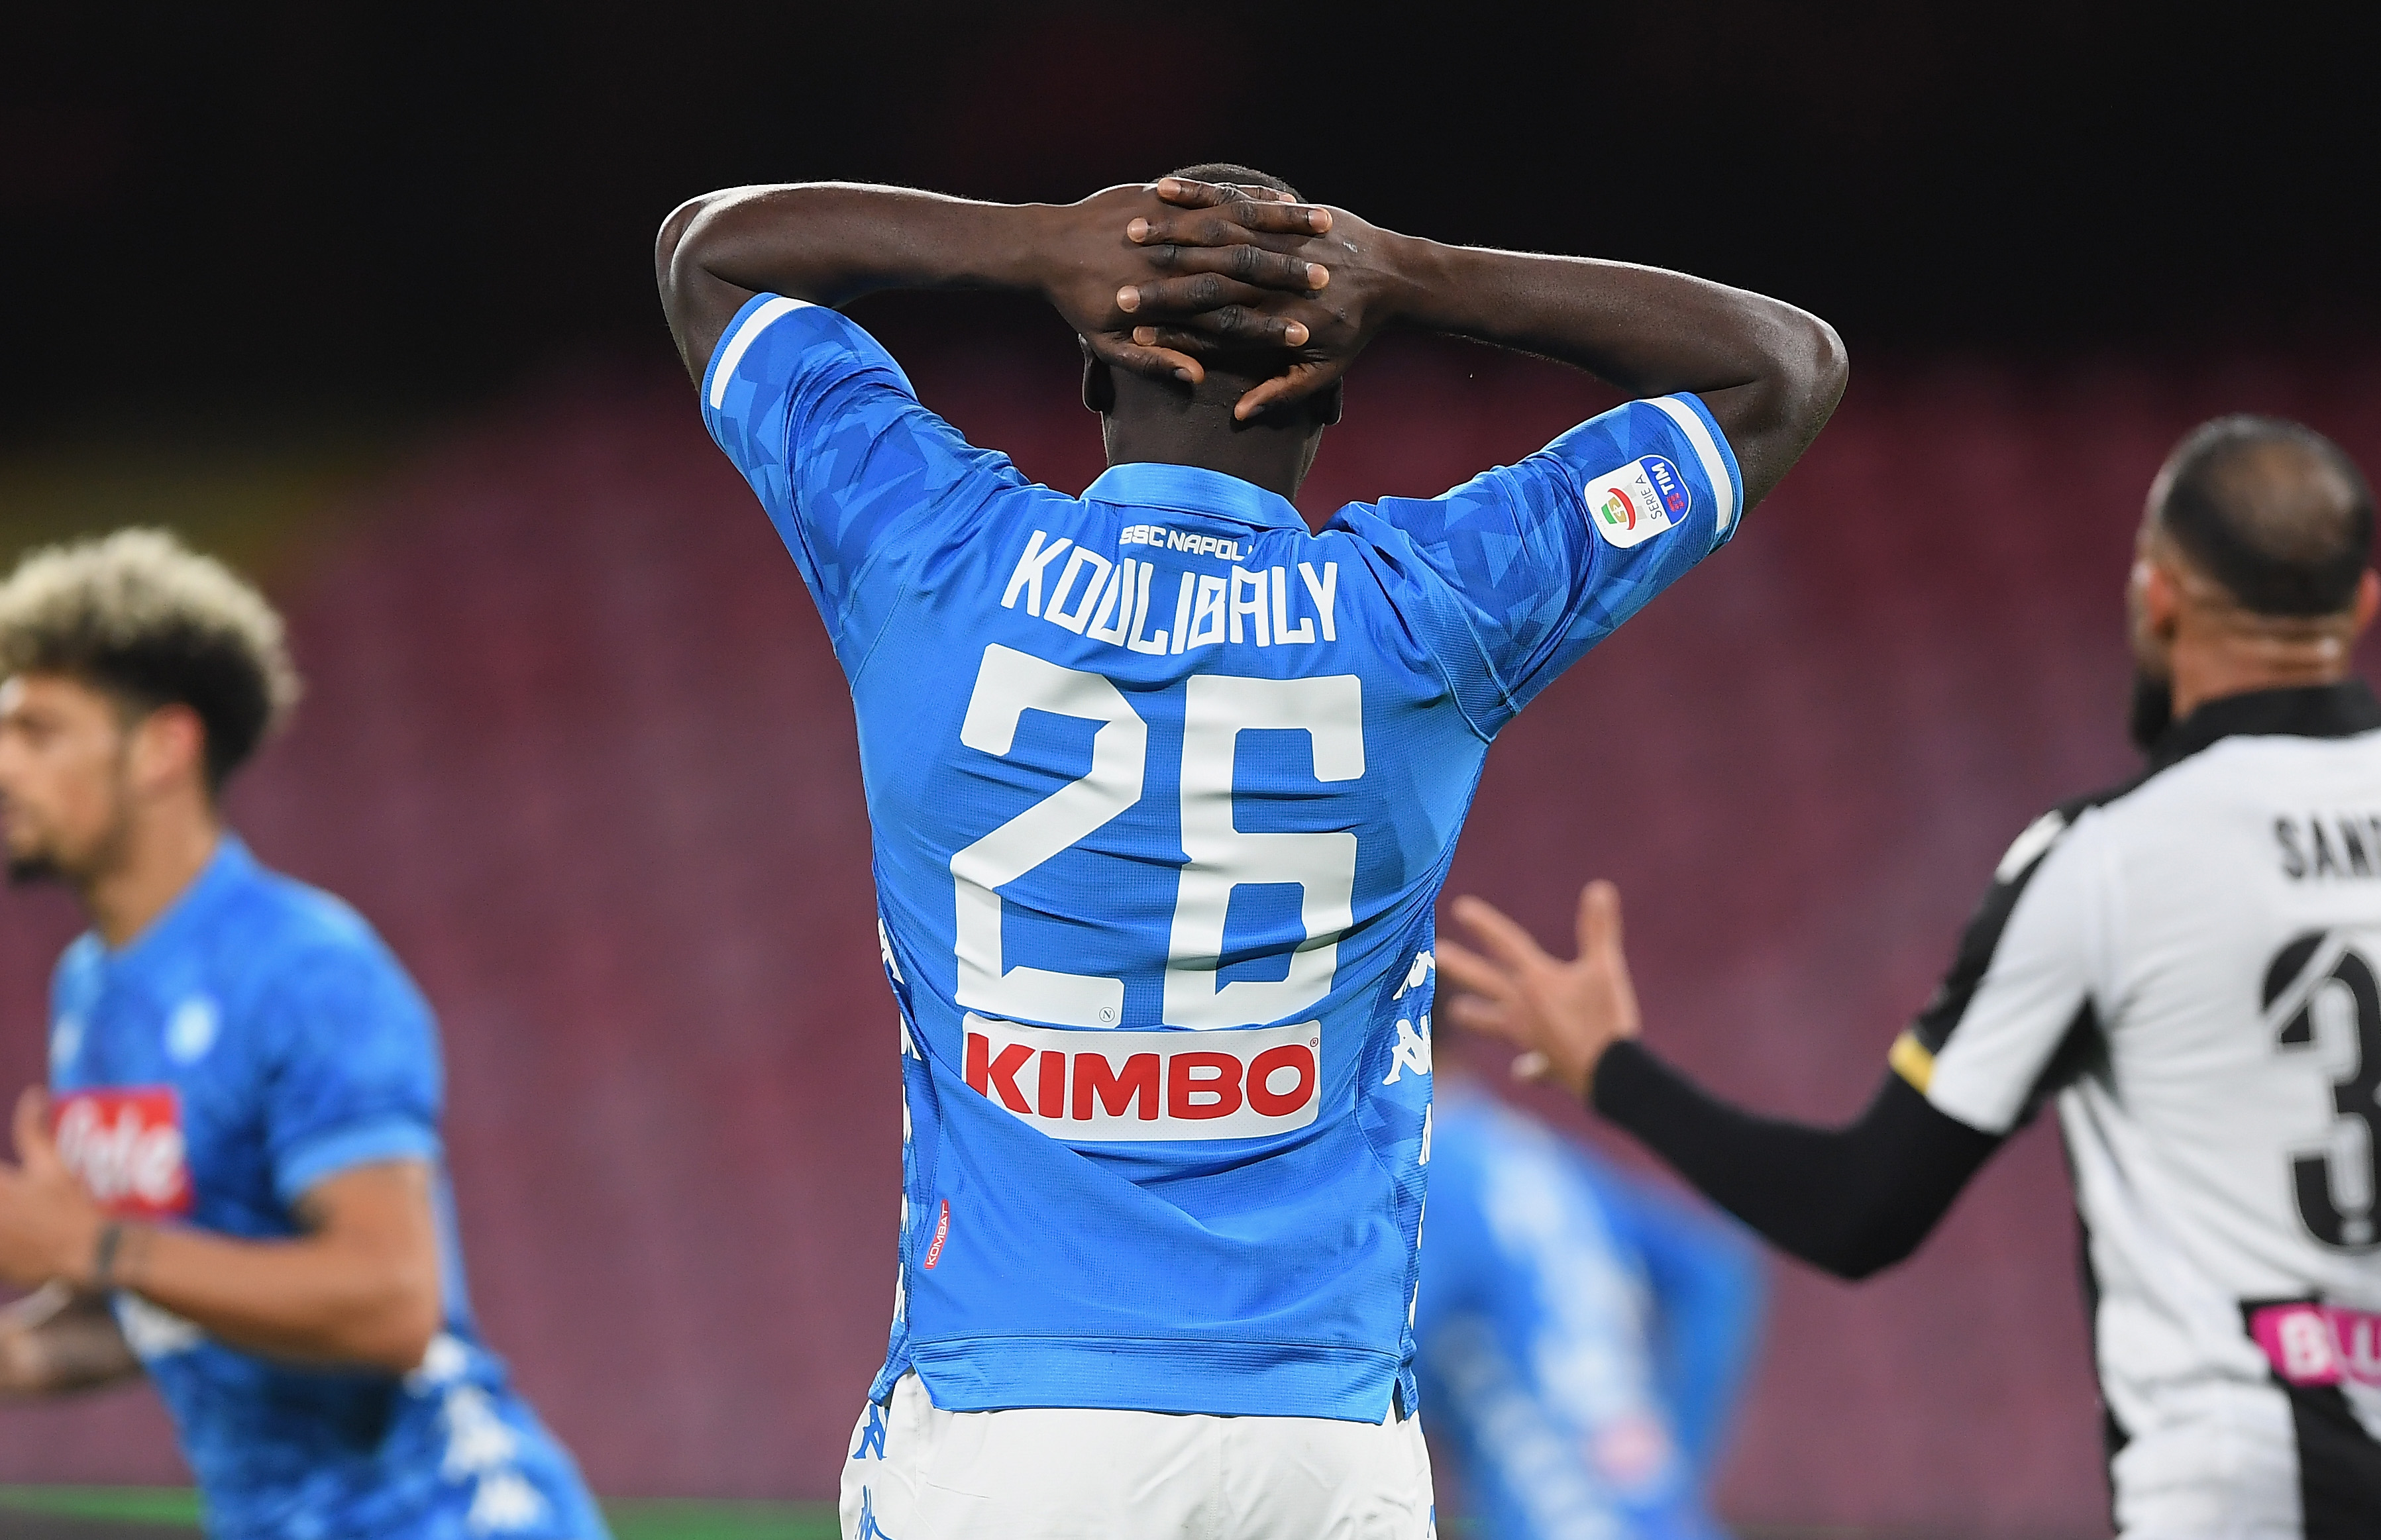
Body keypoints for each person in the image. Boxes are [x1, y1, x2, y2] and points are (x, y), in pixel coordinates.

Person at [655, 165, 1844, 1540]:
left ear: (1097, 374)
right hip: (1321, 1439)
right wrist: (1416, 276)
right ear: (1328, 392)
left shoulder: (935, 555)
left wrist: (1034, 244)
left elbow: (708, 258)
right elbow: (1784, 368)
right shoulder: (1425, 607)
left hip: (1012, 1425)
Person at [1439, 415, 2381, 1539]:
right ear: (2361, 607)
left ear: (2157, 597)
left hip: (2230, 1486)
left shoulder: (2104, 861)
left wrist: (1615, 1074)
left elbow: (1858, 1212)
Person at [0, 531, 607, 1540]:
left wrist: (94, 1244)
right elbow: (164, 1302)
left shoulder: (303, 969)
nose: (4, 764)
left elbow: (391, 1303)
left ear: (162, 748)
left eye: (39, 731)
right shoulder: (91, 994)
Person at [1419, 1080, 1762, 1540]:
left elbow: (1373, 1362)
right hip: (1654, 1515)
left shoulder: (1427, 1175)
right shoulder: (1535, 1155)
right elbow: (1716, 1273)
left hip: (1555, 1516)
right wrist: (1669, 1458)